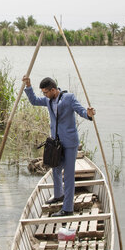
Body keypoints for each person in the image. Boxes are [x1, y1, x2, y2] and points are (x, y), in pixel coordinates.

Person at [23, 75, 95, 217]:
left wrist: (89, 114)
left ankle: (67, 209)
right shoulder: (48, 100)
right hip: (56, 143)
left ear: (54, 90)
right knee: (55, 168)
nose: (44, 95)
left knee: (68, 176)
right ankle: (58, 195)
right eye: (43, 93)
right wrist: (28, 85)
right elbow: (34, 101)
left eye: (45, 92)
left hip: (69, 143)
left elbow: (81, 111)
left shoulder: (68, 98)